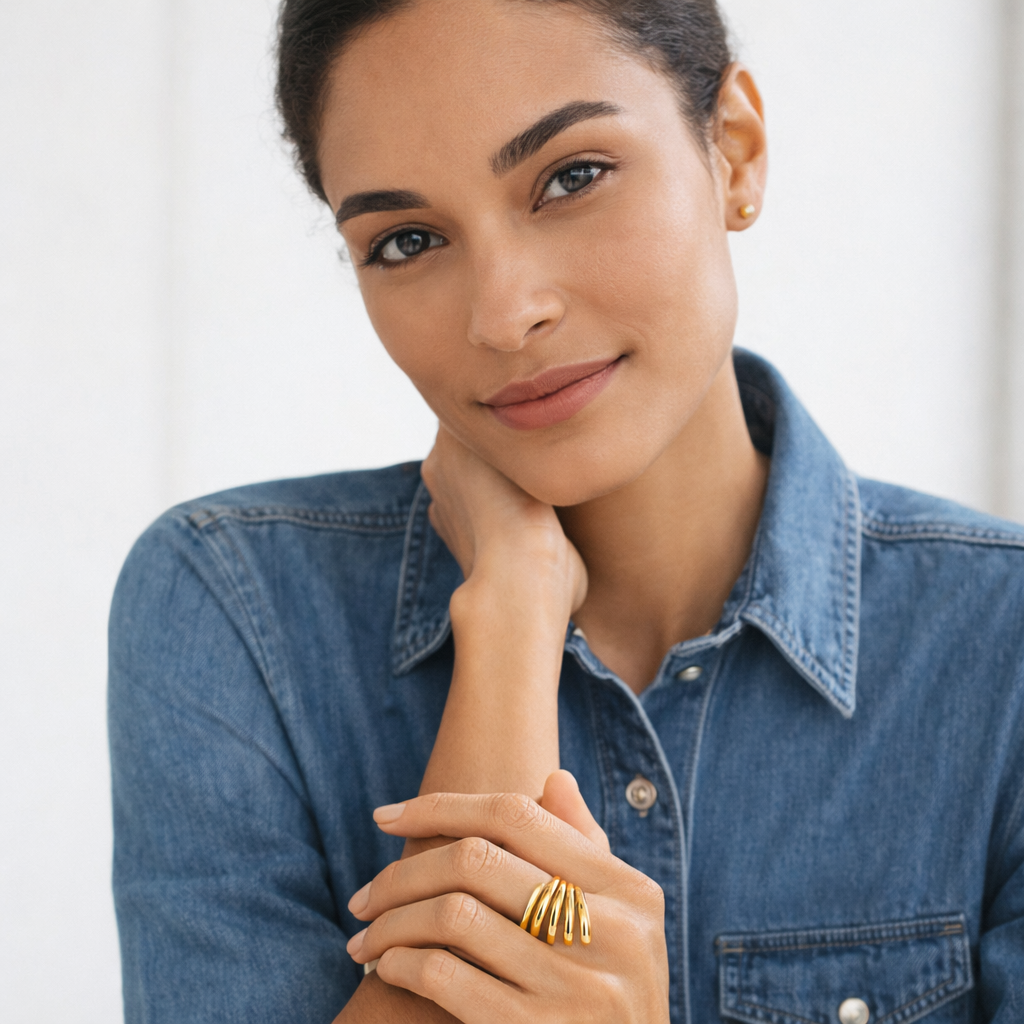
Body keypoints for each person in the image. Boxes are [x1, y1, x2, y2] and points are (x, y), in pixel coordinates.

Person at [108, 0, 1024, 1021]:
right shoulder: (235, 611)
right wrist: (507, 612)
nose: (504, 315)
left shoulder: (1003, 644)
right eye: (407, 240)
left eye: (570, 178)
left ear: (734, 150)